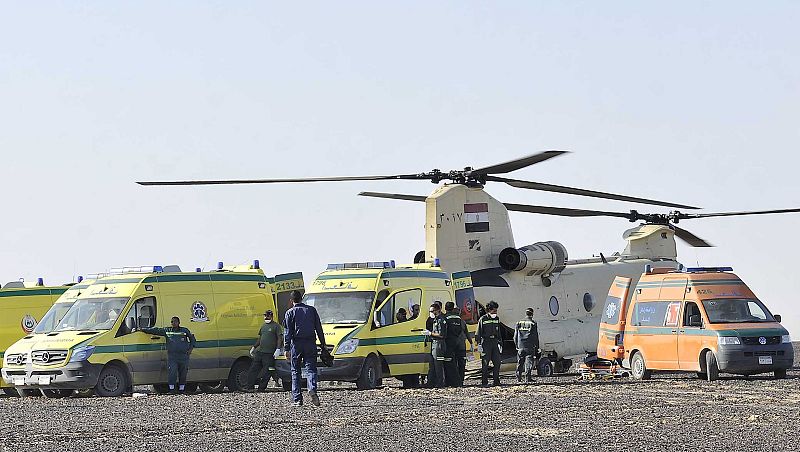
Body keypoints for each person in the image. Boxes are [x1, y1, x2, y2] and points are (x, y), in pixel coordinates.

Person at [284, 290, 326, 407]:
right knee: (311, 369)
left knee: (295, 371)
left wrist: (286, 348)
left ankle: (297, 399)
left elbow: (287, 332)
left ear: (292, 301)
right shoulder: (311, 310)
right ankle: (312, 389)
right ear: (301, 299)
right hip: (310, 343)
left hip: (296, 344)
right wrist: (323, 344)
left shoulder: (289, 313)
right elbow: (319, 328)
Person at [143, 316, 196, 394]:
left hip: (183, 356)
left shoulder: (184, 330)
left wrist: (190, 349)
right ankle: (172, 390)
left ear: (179, 322)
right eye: (172, 322)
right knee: (172, 372)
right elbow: (156, 330)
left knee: (183, 373)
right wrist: (143, 329)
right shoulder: (167, 330)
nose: (173, 323)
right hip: (172, 356)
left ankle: (182, 390)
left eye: (174, 321)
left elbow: (193, 339)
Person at [246, 310, 284, 392]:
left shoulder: (276, 326)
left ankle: (261, 388)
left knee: (267, 372)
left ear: (271, 316)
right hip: (260, 352)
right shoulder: (263, 326)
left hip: (270, 353)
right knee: (253, 369)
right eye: (265, 316)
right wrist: (254, 347)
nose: (266, 317)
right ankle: (249, 387)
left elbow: (279, 338)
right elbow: (260, 338)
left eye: (267, 316)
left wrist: (278, 349)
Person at [444, 301, 473, 387]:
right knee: (461, 364)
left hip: (450, 345)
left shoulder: (445, 318)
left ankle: (451, 382)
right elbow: (467, 333)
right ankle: (460, 382)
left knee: (450, 364)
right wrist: (471, 343)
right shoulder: (461, 320)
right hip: (461, 346)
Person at [476, 301, 502, 387]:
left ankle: (496, 381)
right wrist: (479, 344)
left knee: (497, 362)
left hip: (494, 342)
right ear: (489, 310)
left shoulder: (496, 319)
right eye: (494, 311)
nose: (495, 313)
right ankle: (484, 382)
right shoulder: (482, 319)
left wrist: (500, 343)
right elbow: (478, 332)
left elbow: (499, 333)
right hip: (485, 342)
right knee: (485, 363)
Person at [513, 307, 540, 383]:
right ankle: (528, 378)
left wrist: (516, 345)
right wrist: (537, 347)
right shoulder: (533, 323)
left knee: (520, 362)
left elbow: (515, 335)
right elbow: (535, 336)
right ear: (532, 314)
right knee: (528, 363)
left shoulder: (519, 322)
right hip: (529, 346)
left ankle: (518, 378)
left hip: (520, 345)